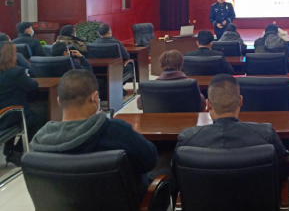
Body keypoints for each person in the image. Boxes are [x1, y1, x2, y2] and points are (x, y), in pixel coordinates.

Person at [31, 70, 158, 198]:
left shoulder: (39, 142)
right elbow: (149, 160)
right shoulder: (115, 130)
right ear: (95, 98)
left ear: (59, 101)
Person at [172, 74, 289, 180]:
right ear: (240, 101)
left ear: (208, 104)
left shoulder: (186, 140)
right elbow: (285, 170)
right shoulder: (267, 135)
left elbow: (177, 174)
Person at [0, 41, 46, 166]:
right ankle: (15, 151)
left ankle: (9, 149)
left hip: (4, 113)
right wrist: (26, 76)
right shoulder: (16, 72)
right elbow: (32, 86)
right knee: (39, 121)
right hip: (8, 115)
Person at [137, 50, 205, 110]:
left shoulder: (149, 86)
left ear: (161, 66)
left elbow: (140, 105)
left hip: (158, 120)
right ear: (181, 64)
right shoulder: (191, 83)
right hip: (189, 120)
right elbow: (202, 103)